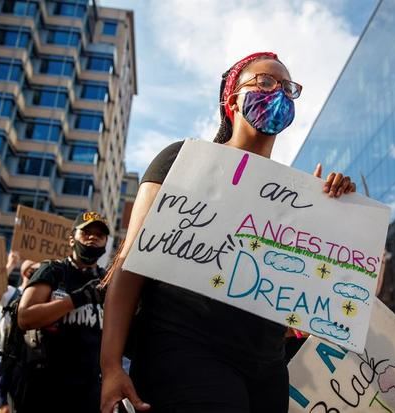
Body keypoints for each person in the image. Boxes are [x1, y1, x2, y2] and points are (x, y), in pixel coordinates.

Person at [100, 52, 357, 413]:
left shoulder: (295, 198)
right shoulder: (182, 160)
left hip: (267, 367)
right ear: (232, 99)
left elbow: (302, 294)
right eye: (265, 82)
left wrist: (330, 210)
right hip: (184, 348)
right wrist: (111, 366)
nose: (278, 92)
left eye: (287, 87)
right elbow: (130, 263)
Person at [17, 212, 109, 413]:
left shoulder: (107, 282)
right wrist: (77, 299)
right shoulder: (53, 270)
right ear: (71, 239)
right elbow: (25, 317)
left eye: (100, 235)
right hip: (46, 387)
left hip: (89, 391)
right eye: (86, 233)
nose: (93, 238)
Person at [0, 253, 39, 413]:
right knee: (2, 409)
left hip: (24, 364)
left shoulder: (42, 302)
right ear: (26, 273)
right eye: (36, 269)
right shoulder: (12, 293)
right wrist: (10, 264)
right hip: (0, 359)